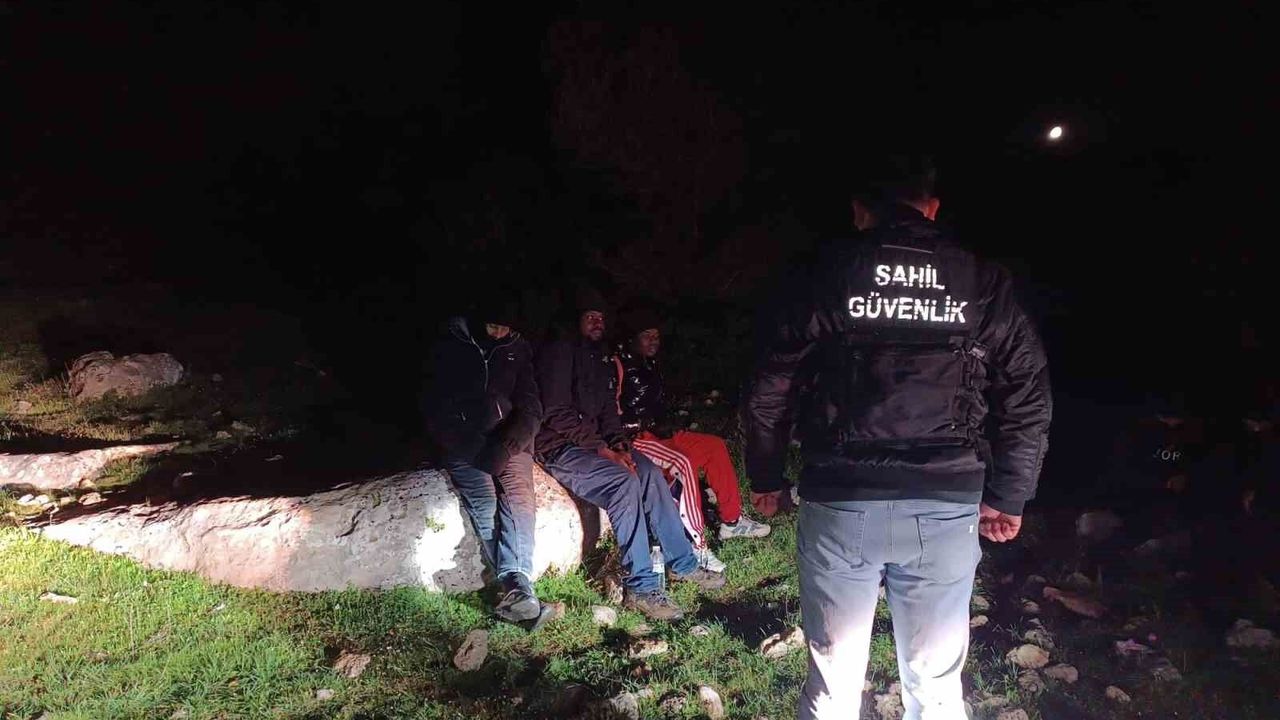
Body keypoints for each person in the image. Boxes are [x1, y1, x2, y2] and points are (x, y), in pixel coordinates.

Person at [744, 155, 1052, 719]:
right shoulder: (982, 281)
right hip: (945, 503)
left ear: (860, 211)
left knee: (832, 685)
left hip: (841, 500)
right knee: (936, 688)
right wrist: (1009, 494)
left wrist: (766, 476)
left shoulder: (825, 274)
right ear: (931, 208)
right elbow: (1027, 394)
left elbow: (770, 385)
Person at [535, 289, 725, 621]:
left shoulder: (600, 356)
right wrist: (603, 449)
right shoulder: (559, 352)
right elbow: (556, 412)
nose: (598, 323)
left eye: (601, 318)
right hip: (560, 446)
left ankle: (682, 564)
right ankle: (641, 588)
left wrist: (619, 445)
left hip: (596, 443)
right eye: (590, 317)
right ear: (575, 320)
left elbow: (609, 410)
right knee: (623, 483)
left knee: (648, 472)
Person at [614, 308, 771, 574]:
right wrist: (626, 433)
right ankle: (697, 546)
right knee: (683, 464)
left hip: (660, 432)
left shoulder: (651, 363)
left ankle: (732, 521)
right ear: (632, 338)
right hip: (637, 438)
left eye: (656, 336)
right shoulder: (619, 363)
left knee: (714, 447)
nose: (653, 341)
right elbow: (612, 408)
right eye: (646, 335)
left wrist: (666, 421)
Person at [422, 304, 544, 624]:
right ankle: (518, 588)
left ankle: (517, 586)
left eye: (506, 327)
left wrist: (506, 446)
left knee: (519, 498)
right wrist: (477, 450)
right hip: (465, 445)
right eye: (492, 326)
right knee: (486, 502)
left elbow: (531, 409)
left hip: (509, 442)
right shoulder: (449, 346)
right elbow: (437, 413)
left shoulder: (517, 347)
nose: (500, 334)